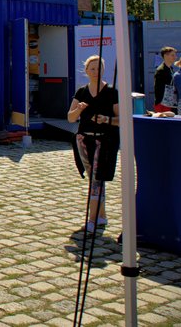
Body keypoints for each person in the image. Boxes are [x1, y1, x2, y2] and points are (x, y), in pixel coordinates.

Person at [68, 55, 120, 233]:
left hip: (104, 140)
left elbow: (120, 119)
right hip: (83, 139)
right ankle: (102, 216)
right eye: (92, 69)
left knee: (97, 178)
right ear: (86, 71)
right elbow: (70, 117)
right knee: (95, 179)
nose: (95, 72)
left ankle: (91, 219)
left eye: (99, 68)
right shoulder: (81, 92)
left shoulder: (112, 92)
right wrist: (79, 109)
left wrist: (106, 119)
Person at [153, 46, 177, 113]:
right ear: (166, 56)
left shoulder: (171, 69)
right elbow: (158, 88)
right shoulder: (161, 70)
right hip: (162, 104)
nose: (175, 57)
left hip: (169, 102)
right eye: (173, 55)